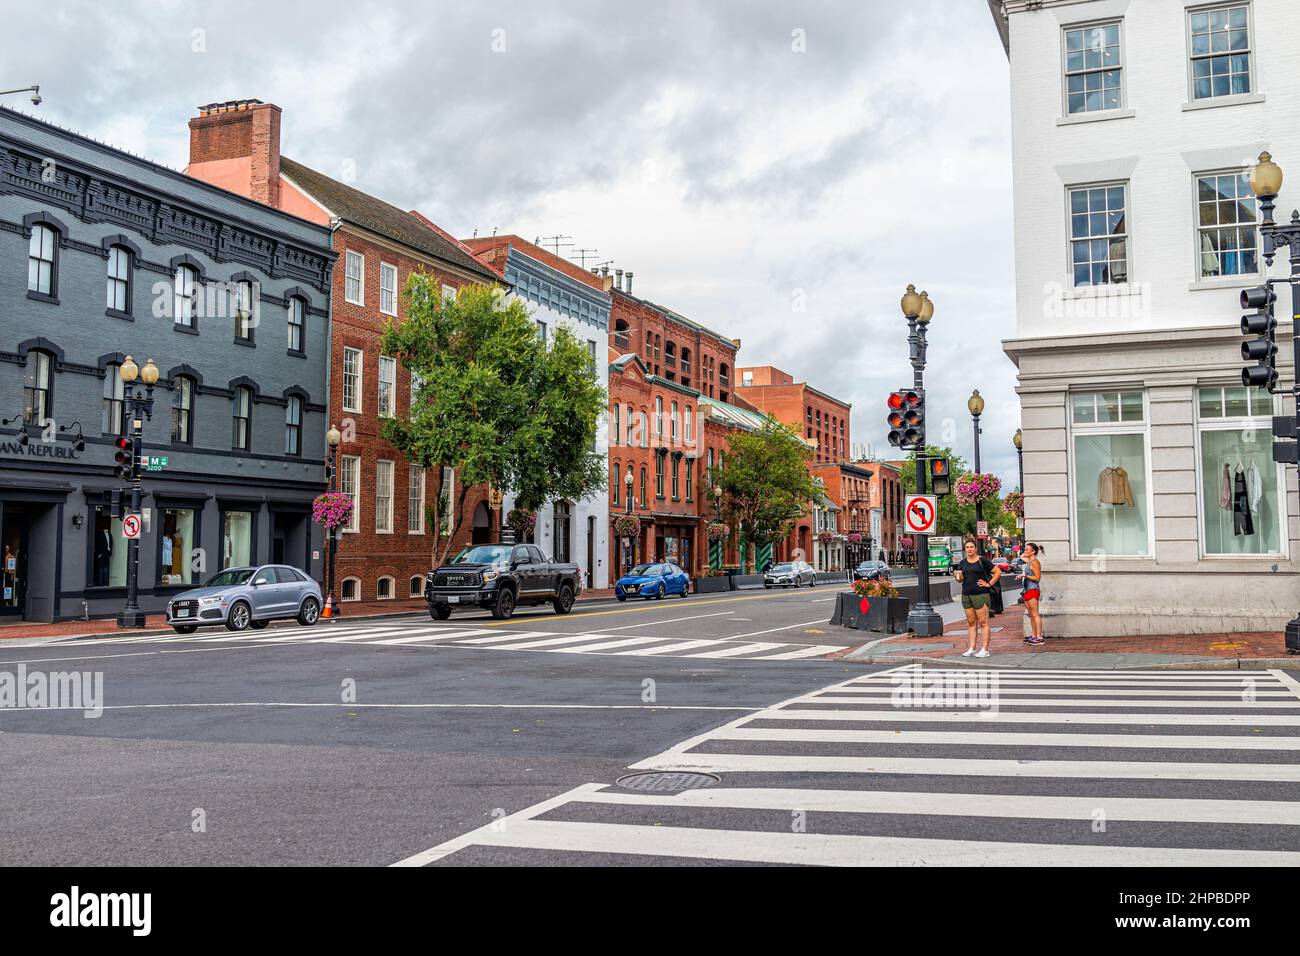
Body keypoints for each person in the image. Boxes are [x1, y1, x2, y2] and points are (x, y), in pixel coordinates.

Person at [953, 538, 1000, 658]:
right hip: (966, 595)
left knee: (983, 622)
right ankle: (972, 648)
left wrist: (988, 584)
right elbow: (960, 580)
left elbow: (997, 572)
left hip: (981, 594)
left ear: (975, 548)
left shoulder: (982, 560)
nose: (969, 549)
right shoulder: (962, 563)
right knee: (971, 623)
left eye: (971, 547)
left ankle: (985, 649)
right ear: (965, 549)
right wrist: (957, 576)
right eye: (967, 547)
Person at [1017, 542, 1045, 646]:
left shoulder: (1035, 562)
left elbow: (1037, 578)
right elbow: (1021, 557)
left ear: (1033, 551)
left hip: (1033, 589)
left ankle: (1039, 637)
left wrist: (1025, 576)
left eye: (1027, 549)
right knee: (1031, 615)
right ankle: (1034, 635)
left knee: (1035, 614)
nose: (1025, 551)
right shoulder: (1030, 561)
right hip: (1027, 589)